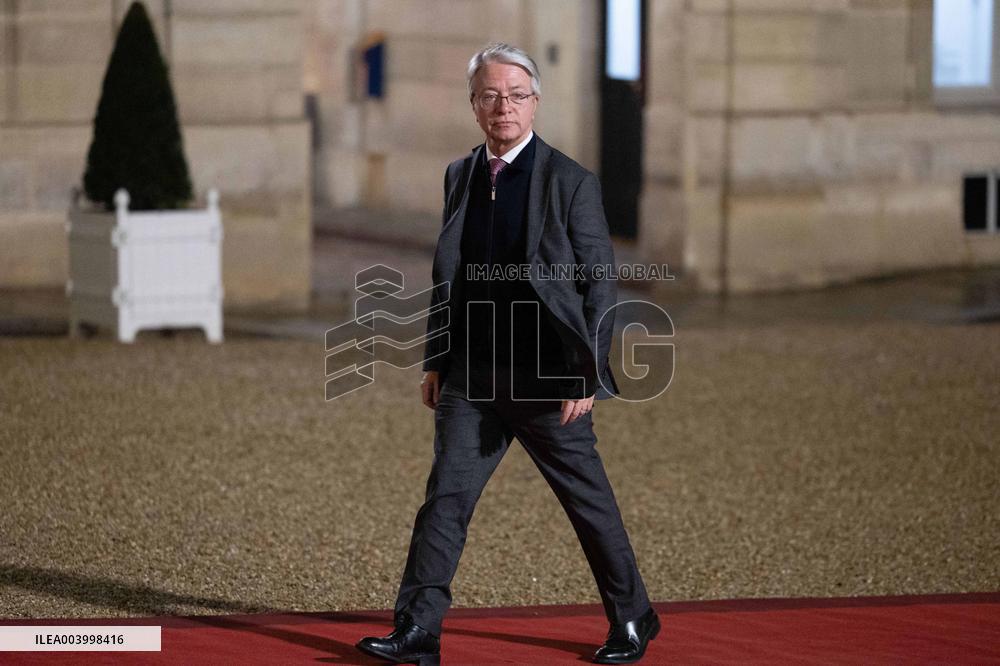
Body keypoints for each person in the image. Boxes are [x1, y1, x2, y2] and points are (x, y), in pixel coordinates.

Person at [356, 42, 659, 665]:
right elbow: (451, 277)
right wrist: (435, 359)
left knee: (588, 506)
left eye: (517, 95)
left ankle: (633, 618)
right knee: (444, 500)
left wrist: (587, 373)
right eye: (491, 95)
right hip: (472, 376)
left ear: (535, 102)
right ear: (474, 105)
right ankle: (418, 631)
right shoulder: (459, 175)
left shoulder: (572, 182)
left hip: (549, 381)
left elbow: (600, 283)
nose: (504, 107)